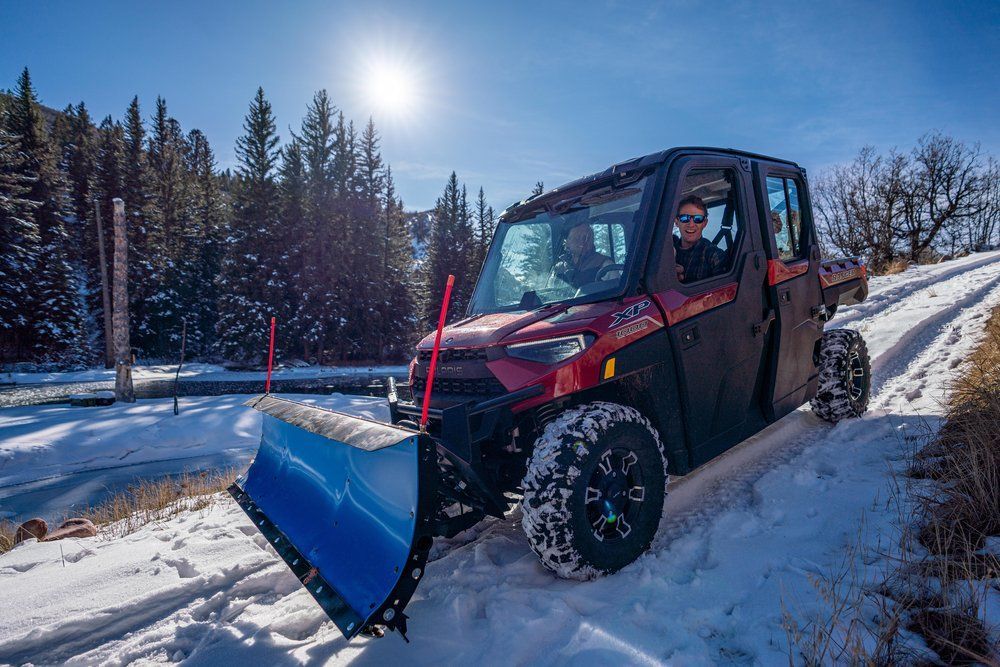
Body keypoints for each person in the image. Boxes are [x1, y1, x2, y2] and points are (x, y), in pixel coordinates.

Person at [673, 195, 727, 283]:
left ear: (704, 223)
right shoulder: (665, 251)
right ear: (676, 221)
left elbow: (723, 294)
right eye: (684, 218)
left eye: (698, 219)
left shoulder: (714, 256)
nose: (691, 224)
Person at [555, 222, 614, 288]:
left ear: (592, 240)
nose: (582, 242)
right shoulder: (560, 267)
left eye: (587, 238)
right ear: (567, 242)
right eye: (577, 238)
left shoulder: (606, 266)